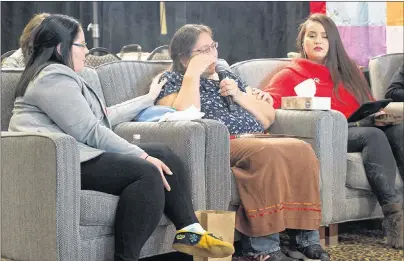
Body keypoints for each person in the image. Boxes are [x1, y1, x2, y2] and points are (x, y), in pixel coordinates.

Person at [8, 14, 234, 261]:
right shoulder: (52, 77)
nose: (86, 51)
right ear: (61, 47)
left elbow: (102, 118)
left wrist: (147, 100)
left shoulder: (66, 77)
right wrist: (141, 155)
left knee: (166, 154)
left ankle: (190, 233)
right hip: (56, 163)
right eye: (81, 45)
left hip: (76, 155)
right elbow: (90, 131)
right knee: (146, 171)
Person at [156, 24, 330, 261]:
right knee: (265, 154)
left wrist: (239, 95)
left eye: (213, 47)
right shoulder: (173, 79)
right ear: (185, 58)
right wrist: (192, 75)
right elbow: (184, 115)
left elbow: (268, 117)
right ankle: (263, 249)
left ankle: (304, 238)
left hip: (257, 138)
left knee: (302, 149)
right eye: (203, 50)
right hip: (222, 143)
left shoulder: (229, 76)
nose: (213, 55)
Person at [263, 13, 404, 249]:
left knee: (398, 129)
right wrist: (263, 98)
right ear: (303, 41)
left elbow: (366, 104)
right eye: (312, 36)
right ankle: (394, 217)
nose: (318, 41)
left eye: (325, 37)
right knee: (373, 135)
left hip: (362, 127)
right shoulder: (290, 73)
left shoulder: (348, 72)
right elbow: (270, 104)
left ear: (333, 42)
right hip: (328, 136)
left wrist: (380, 116)